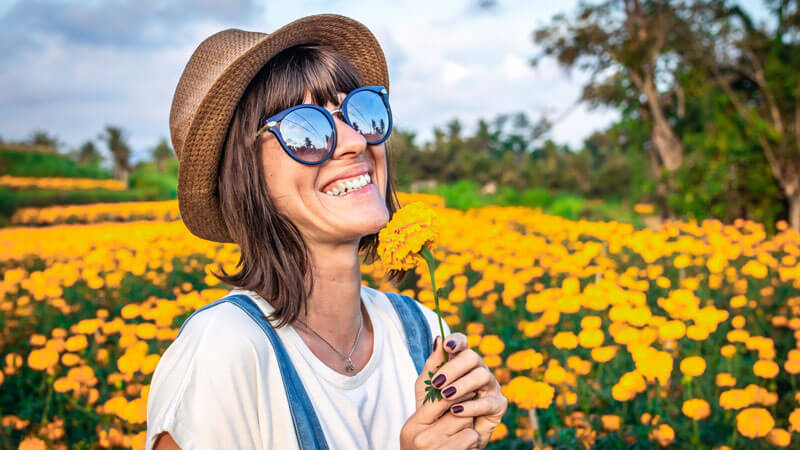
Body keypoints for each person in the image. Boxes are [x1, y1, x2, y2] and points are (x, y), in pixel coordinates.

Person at [145, 14, 507, 450]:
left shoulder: (421, 329)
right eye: (305, 128)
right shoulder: (226, 351)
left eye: (360, 111)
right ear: (245, 176)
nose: (355, 141)